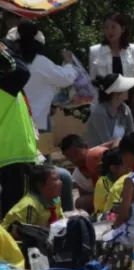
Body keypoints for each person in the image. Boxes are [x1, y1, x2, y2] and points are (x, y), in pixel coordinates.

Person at [12, 22, 77, 143]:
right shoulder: (41, 62)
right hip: (37, 122)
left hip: (13, 122)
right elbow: (66, 78)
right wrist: (68, 63)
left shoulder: (11, 62)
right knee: (42, 159)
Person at [0, 41, 38, 218]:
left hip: (10, 158)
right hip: (13, 158)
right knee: (16, 217)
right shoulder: (4, 87)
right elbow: (22, 71)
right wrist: (5, 51)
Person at [1, 165, 62, 234]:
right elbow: (25, 236)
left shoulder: (56, 200)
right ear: (40, 184)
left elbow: (60, 222)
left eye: (59, 179)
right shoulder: (29, 206)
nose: (60, 182)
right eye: (55, 179)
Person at [84, 73, 134, 147]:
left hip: (121, 151)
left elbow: (132, 134)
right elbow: (108, 142)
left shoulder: (125, 108)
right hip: (101, 155)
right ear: (117, 93)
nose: (128, 90)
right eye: (125, 88)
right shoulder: (99, 113)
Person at [60, 135, 109, 211]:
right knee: (80, 202)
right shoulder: (77, 175)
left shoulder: (99, 155)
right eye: (70, 157)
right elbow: (84, 197)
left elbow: (117, 142)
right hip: (99, 200)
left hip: (115, 192)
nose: (75, 159)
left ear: (86, 147)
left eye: (76, 153)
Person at [88, 13, 134, 81]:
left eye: (113, 27)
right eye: (106, 27)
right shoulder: (94, 51)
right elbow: (92, 80)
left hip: (128, 91)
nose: (109, 31)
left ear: (122, 29)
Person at [93, 148, 127, 216]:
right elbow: (99, 211)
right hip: (106, 218)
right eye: (124, 164)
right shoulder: (103, 183)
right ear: (112, 167)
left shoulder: (129, 178)